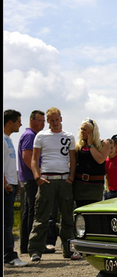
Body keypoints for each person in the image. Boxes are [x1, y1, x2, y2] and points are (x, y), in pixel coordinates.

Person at [28, 107, 78, 262]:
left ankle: (68, 249)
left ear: (61, 119)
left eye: (57, 119)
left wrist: (71, 178)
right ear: (48, 121)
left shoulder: (69, 136)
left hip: (64, 180)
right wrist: (37, 177)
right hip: (46, 180)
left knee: (67, 217)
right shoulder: (41, 136)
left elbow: (73, 159)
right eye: (52, 120)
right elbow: (34, 159)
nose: (55, 123)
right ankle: (35, 250)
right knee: (41, 216)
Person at [17, 110, 51, 255]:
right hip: (32, 179)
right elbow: (27, 156)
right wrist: (37, 175)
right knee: (35, 212)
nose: (43, 124)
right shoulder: (30, 136)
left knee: (28, 212)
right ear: (32, 120)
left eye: (44, 121)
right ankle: (33, 245)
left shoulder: (30, 135)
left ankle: (26, 245)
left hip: (28, 178)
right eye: (40, 121)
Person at [4, 110, 28, 267]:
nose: (20, 124)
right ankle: (9, 256)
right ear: (10, 122)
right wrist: (5, 182)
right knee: (7, 222)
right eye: (18, 121)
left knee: (8, 221)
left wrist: (16, 182)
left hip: (11, 184)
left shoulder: (9, 140)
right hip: (6, 187)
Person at [73, 118, 110, 207]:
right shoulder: (79, 145)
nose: (82, 132)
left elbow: (100, 159)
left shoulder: (104, 144)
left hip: (95, 186)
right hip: (80, 184)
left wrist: (91, 145)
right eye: (81, 129)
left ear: (92, 131)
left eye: (85, 130)